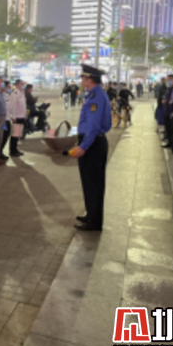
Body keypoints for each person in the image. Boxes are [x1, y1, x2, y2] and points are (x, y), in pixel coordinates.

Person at [71, 64, 111, 232]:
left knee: (93, 183)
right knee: (89, 182)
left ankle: (94, 221)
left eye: (83, 77)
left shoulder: (96, 95)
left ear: (89, 79)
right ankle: (91, 214)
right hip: (93, 141)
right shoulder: (95, 94)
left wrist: (84, 146)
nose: (81, 80)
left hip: (93, 143)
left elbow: (93, 125)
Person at [8, 79, 26, 157]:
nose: (23, 86)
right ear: (18, 85)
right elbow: (13, 106)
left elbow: (23, 106)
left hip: (21, 116)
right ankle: (12, 151)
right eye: (22, 84)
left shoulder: (22, 93)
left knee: (18, 134)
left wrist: (24, 115)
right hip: (17, 117)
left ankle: (15, 149)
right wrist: (13, 116)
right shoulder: (15, 94)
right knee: (14, 135)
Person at [162, 75, 173, 148]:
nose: (169, 81)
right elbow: (166, 97)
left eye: (171, 79)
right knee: (168, 128)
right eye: (168, 80)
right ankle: (169, 142)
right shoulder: (168, 89)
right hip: (166, 111)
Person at [0, 81, 12, 161]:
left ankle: (1, 151)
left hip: (8, 119)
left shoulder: (8, 96)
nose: (10, 89)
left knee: (6, 135)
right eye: (8, 87)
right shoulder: (2, 96)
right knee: (3, 135)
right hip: (4, 121)